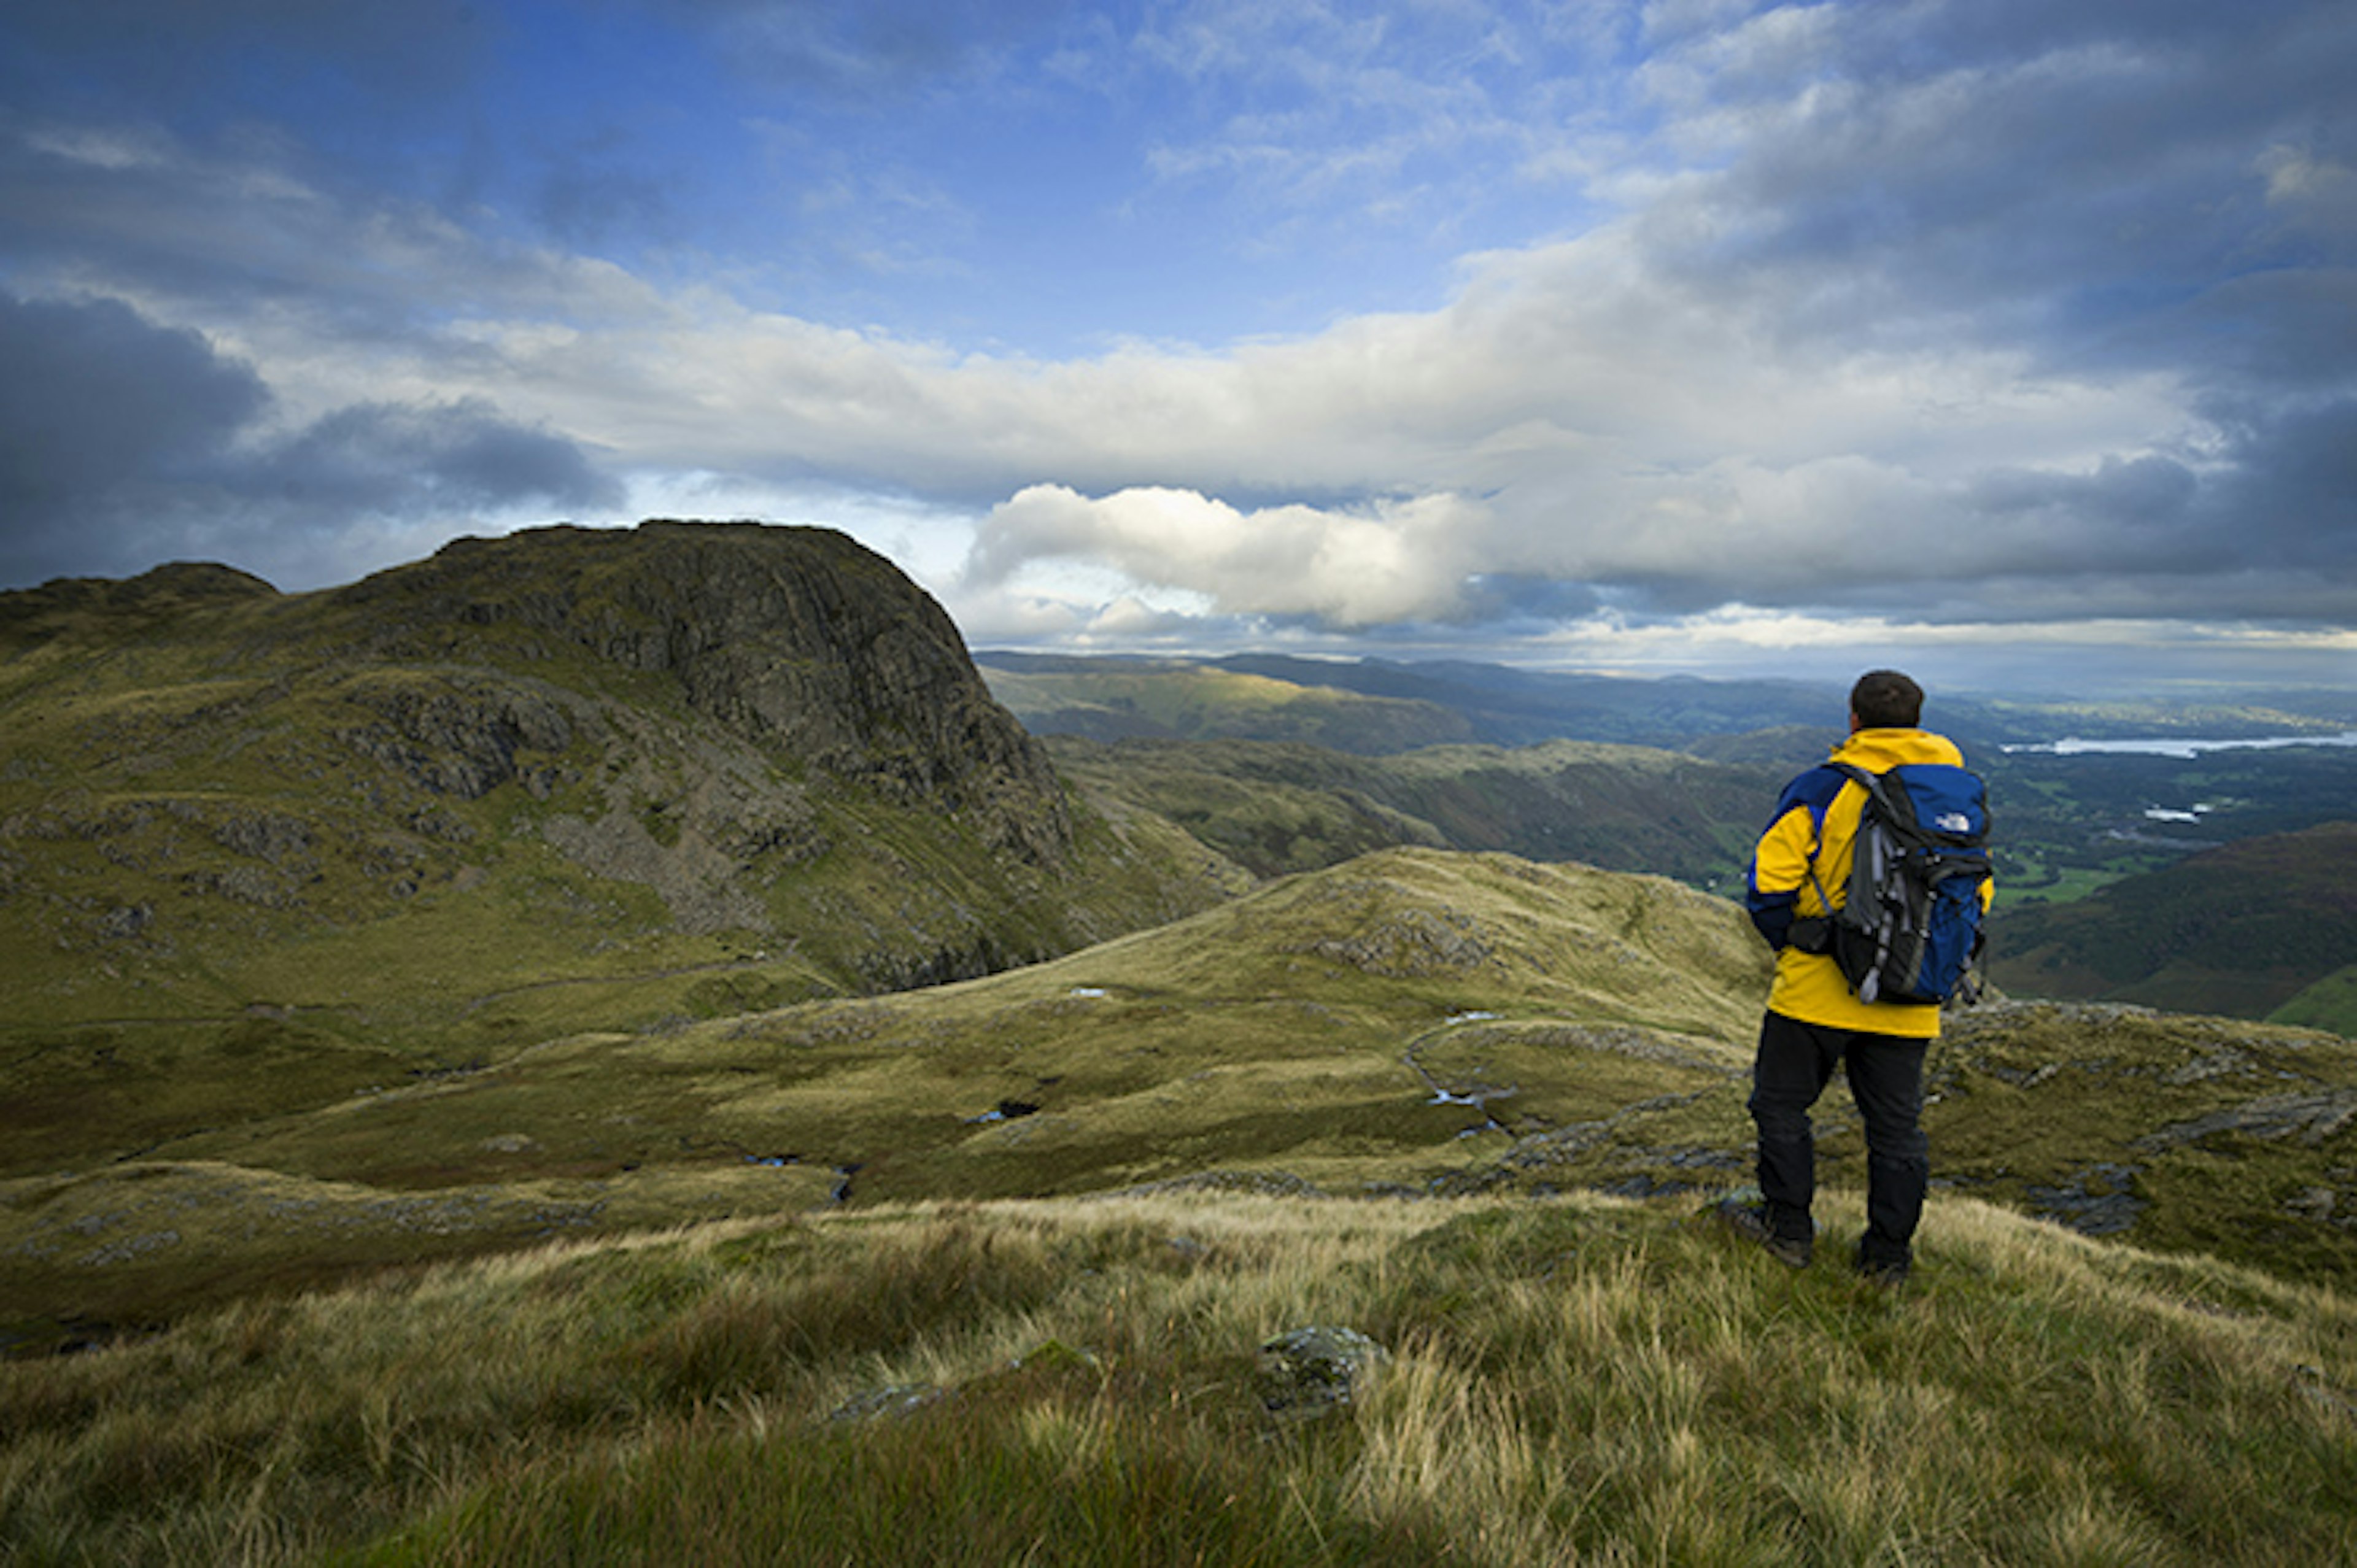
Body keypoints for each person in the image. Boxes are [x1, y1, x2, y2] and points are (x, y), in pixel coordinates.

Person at [1720, 669, 1990, 1288]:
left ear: (1853, 718)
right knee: (1896, 1129)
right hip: (1910, 996)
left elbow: (1770, 882)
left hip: (1814, 992)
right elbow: (1977, 893)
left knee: (1781, 1105)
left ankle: (1788, 1230)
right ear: (1919, 719)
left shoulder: (1823, 785)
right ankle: (1887, 1259)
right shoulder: (1957, 795)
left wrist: (1800, 945)